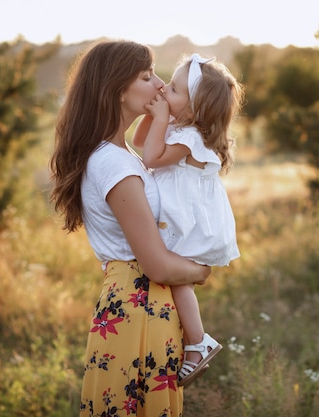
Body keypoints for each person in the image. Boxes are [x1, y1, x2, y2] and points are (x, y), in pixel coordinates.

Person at [49, 41, 211, 417]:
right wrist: (202, 270)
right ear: (118, 90)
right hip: (139, 307)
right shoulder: (115, 166)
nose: (159, 84)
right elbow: (156, 265)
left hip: (143, 306)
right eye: (146, 76)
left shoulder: (122, 156)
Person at [132, 53, 244, 387]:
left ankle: (198, 342)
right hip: (177, 215)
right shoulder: (180, 127)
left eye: (175, 89)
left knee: (177, 278)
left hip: (187, 221)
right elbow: (140, 143)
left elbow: (151, 157)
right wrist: (157, 115)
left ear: (194, 110)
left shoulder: (191, 138)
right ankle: (190, 339)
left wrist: (161, 115)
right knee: (170, 275)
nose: (165, 89)